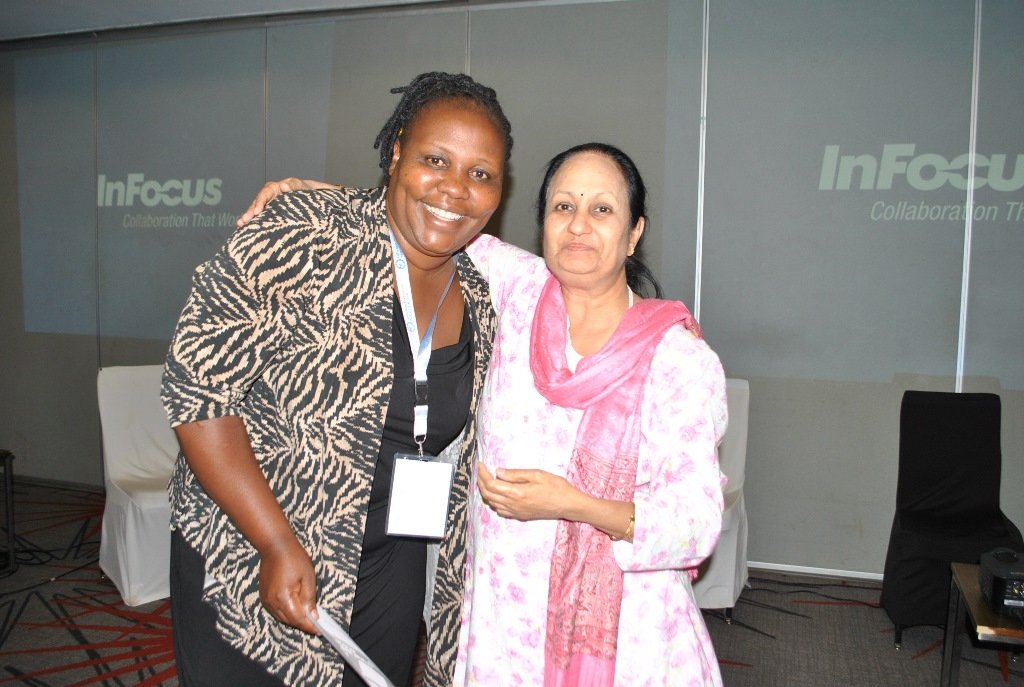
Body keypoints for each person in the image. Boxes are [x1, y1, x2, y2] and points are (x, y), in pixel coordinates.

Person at [244, 142, 728, 686]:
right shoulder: (519, 289)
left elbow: (696, 524)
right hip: (506, 627)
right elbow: (430, 215)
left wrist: (575, 505)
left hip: (627, 634)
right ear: (542, 223)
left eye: (602, 209)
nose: (578, 225)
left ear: (634, 232)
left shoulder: (677, 359)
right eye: (563, 206)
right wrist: (309, 193)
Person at [161, 71, 513, 687]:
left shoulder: (480, 294)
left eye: (480, 173)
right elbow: (198, 390)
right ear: (397, 152)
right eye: (435, 160)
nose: (456, 188)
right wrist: (274, 542)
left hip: (389, 567)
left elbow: (587, 280)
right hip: (256, 546)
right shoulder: (304, 232)